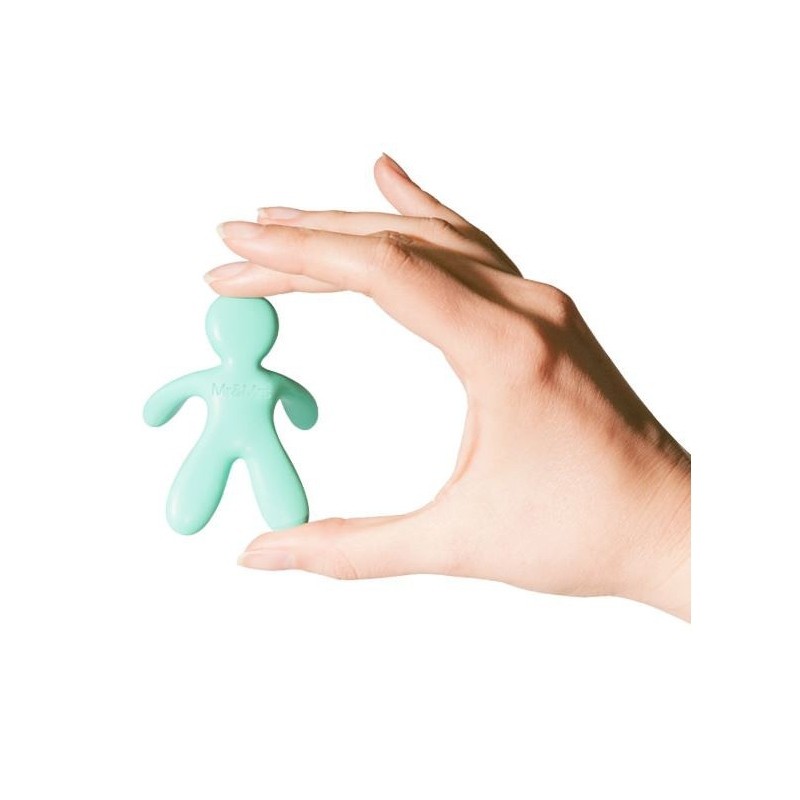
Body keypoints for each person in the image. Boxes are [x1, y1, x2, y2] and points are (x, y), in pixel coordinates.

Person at [205, 153, 691, 621]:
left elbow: (283, 403)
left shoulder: (233, 384)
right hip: (243, 440)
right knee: (230, 472)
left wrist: (671, 539)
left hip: (235, 439)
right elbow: (299, 407)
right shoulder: (245, 383)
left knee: (245, 475)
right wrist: (671, 537)